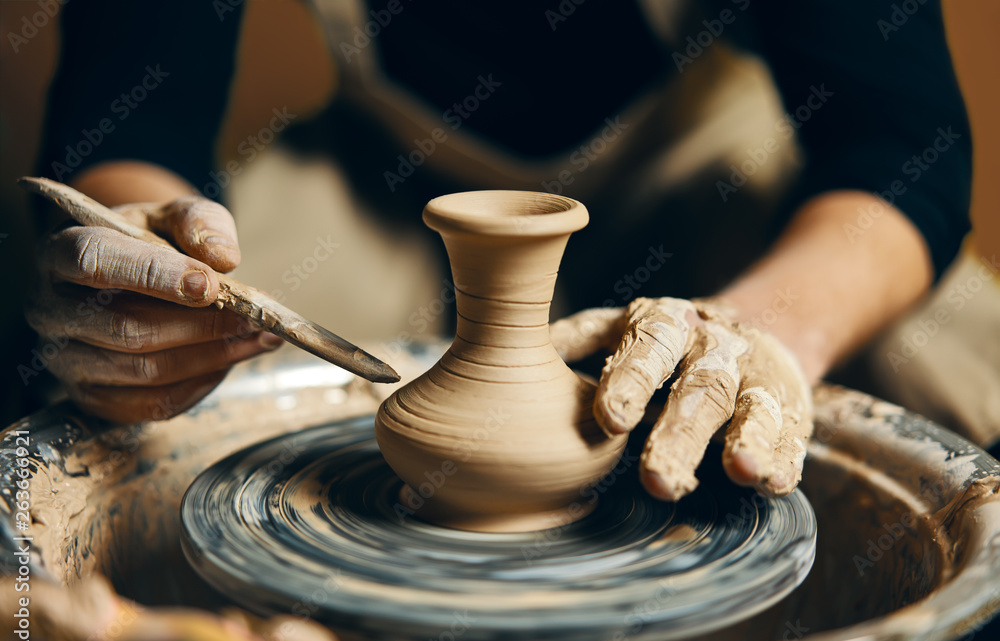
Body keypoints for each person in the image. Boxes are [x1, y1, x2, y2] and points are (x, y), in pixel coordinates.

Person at [28, 0, 972, 503]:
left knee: (938, 369)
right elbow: (134, 109)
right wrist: (137, 257)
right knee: (97, 366)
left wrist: (766, 330)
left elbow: (900, 144)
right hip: (389, 182)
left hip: (699, 167)